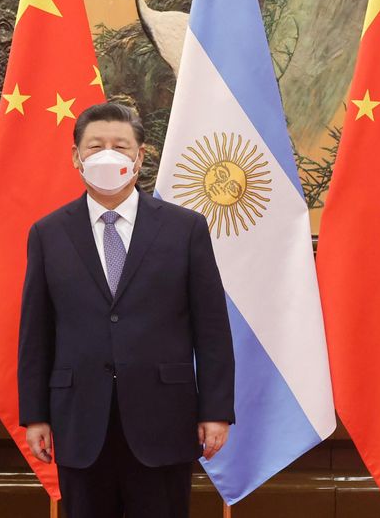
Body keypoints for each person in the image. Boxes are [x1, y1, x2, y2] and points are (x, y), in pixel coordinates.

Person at [18, 102, 235, 518]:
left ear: (140, 155)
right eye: (95, 145)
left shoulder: (184, 229)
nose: (107, 154)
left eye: (120, 145)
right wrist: (36, 416)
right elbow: (36, 334)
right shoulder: (48, 234)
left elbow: (211, 328)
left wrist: (216, 411)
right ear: (75, 157)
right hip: (79, 419)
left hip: (163, 416)